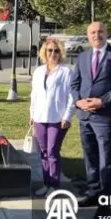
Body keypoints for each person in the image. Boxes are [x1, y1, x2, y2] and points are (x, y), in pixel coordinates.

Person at [70, 22, 111, 219]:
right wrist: (78, 102)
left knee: (106, 160)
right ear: (88, 35)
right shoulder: (82, 56)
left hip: (105, 116)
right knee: (90, 157)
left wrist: (101, 101)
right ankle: (93, 193)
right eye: (92, 32)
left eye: (100, 31)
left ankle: (105, 203)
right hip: (85, 116)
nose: (97, 35)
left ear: (107, 34)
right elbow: (75, 83)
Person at [29, 38, 75, 196]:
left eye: (56, 50)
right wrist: (32, 114)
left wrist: (67, 116)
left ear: (61, 52)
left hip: (57, 118)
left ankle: (54, 186)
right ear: (44, 52)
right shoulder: (38, 71)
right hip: (40, 117)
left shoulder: (66, 72)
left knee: (52, 151)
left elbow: (72, 96)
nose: (53, 53)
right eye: (50, 50)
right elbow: (34, 95)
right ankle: (46, 183)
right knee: (43, 152)